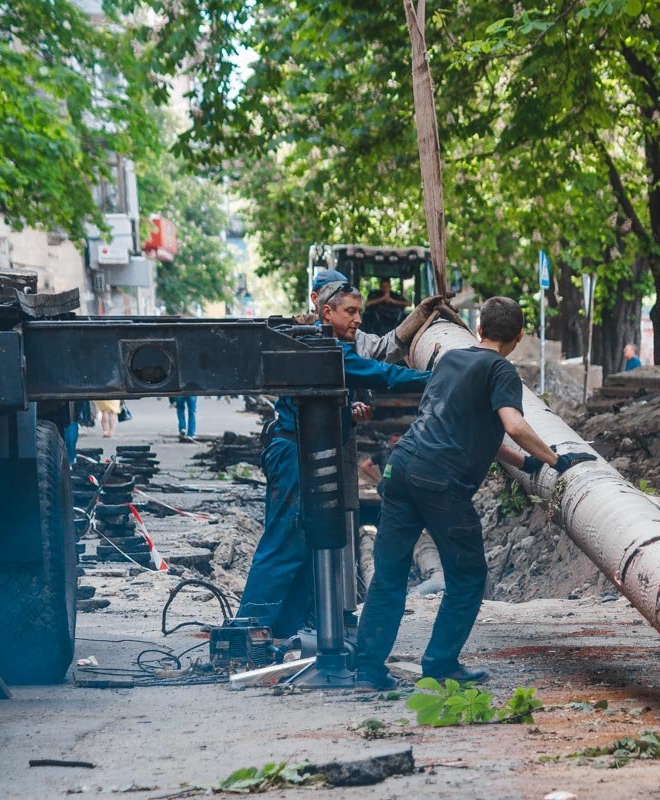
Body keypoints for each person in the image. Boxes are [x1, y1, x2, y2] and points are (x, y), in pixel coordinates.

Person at [353, 297, 597, 689]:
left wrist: (526, 462)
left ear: (479, 329)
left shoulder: (450, 360)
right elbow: (514, 425)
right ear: (519, 337)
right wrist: (555, 459)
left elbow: (474, 432)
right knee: (467, 576)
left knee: (389, 574)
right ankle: (440, 664)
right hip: (440, 481)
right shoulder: (501, 369)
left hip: (402, 469)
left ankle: (367, 668)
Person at [237, 270, 447, 638]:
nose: (358, 320)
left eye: (359, 312)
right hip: (291, 454)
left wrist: (346, 416)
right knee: (284, 541)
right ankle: (248, 629)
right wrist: (440, 376)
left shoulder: (331, 346)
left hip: (303, 450)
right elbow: (382, 373)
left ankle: (285, 629)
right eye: (350, 312)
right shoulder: (323, 349)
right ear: (326, 312)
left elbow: (323, 402)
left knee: (304, 541)